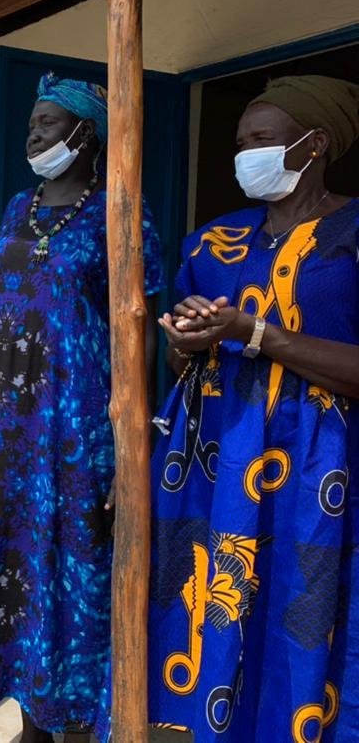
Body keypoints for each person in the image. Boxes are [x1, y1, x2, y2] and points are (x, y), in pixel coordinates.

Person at [0, 73, 164, 742]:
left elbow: (140, 327)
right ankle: (30, 719)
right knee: (9, 563)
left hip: (74, 427)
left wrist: (130, 434)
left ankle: (73, 723)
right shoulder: (17, 208)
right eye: (33, 123)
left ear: (82, 132)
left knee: (74, 572)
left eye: (45, 123)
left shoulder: (122, 213)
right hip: (6, 427)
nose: (32, 135)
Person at [150, 75, 359, 740]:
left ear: (315, 143)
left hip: (320, 469)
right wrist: (184, 342)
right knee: (215, 606)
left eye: (262, 140)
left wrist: (257, 333)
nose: (245, 154)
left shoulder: (353, 234)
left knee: (303, 610)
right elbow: (184, 364)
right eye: (241, 142)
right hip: (216, 461)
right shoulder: (212, 243)